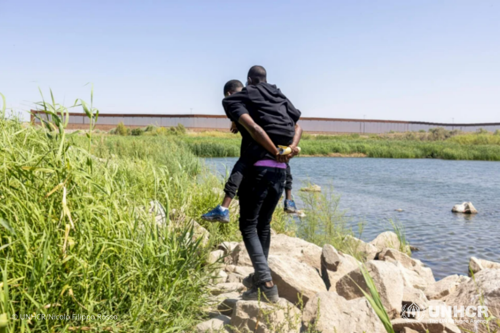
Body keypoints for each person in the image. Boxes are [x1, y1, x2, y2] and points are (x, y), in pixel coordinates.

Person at [223, 65, 302, 302]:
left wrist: (276, 150)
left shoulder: (244, 102)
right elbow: (298, 123)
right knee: (263, 226)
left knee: (248, 226)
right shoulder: (277, 103)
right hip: (280, 171)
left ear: (249, 82)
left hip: (258, 170)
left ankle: (267, 282)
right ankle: (259, 281)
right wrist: (288, 150)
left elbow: (255, 128)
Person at [201, 80, 299, 223]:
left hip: (260, 148)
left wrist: (234, 121)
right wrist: (288, 148)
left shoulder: (238, 103)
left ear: (229, 93)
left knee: (241, 165)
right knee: (284, 160)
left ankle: (224, 208)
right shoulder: (266, 101)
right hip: (279, 152)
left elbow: (253, 127)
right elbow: (297, 126)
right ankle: (289, 200)